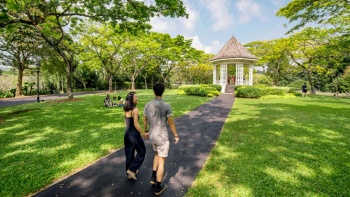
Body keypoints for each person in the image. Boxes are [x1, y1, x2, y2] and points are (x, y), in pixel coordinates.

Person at [143, 82, 179, 196]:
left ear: (153, 91)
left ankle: (153, 177)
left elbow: (144, 119)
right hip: (162, 137)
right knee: (162, 161)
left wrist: (145, 130)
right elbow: (171, 123)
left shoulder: (148, 105)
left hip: (152, 136)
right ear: (163, 91)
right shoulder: (166, 106)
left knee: (157, 154)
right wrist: (176, 135)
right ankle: (158, 187)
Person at [123, 92, 148, 180]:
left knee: (129, 153)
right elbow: (136, 124)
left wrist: (129, 131)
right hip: (134, 134)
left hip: (127, 133)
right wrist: (143, 133)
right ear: (132, 99)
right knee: (142, 151)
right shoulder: (135, 110)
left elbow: (125, 122)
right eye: (136, 97)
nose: (137, 98)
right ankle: (132, 169)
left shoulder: (126, 109)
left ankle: (130, 173)